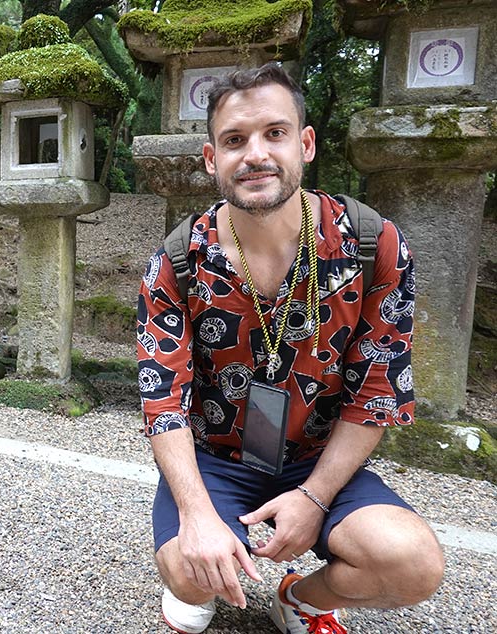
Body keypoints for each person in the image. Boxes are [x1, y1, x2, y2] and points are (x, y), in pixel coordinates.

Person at [136, 62, 445, 634]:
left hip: (318, 454)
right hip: (218, 457)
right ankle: (199, 571)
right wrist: (199, 516)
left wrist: (315, 496)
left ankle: (300, 598)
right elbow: (163, 400)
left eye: (274, 133)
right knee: (186, 567)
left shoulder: (370, 242)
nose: (255, 154)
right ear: (212, 160)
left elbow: (377, 391)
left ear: (303, 144)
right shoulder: (178, 261)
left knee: (413, 563)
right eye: (234, 140)